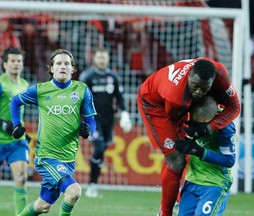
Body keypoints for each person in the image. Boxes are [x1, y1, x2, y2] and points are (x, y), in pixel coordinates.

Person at [137, 58, 241, 216]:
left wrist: (208, 127)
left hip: (183, 99)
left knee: (189, 149)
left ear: (212, 82)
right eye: (196, 86)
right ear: (190, 76)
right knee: (176, 159)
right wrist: (189, 138)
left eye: (204, 88)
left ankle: (182, 199)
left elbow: (235, 106)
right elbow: (176, 122)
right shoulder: (175, 96)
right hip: (155, 103)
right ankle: (165, 212)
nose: (199, 91)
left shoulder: (221, 76)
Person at [10, 48, 97, 216]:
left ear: (72, 69)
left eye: (66, 63)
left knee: (42, 206)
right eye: (58, 63)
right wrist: (16, 124)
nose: (62, 66)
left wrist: (88, 130)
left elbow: (91, 120)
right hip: (47, 157)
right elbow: (15, 102)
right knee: (74, 192)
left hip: (69, 159)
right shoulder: (40, 90)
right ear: (51, 68)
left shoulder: (82, 90)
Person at [79, 47, 132, 198]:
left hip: (108, 120)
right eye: (99, 58)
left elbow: (119, 97)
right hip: (93, 119)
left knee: (102, 150)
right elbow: (81, 98)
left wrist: (124, 113)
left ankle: (93, 184)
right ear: (94, 59)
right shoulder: (87, 76)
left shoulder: (113, 76)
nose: (102, 60)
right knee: (99, 146)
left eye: (104, 58)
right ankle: (91, 186)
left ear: (108, 59)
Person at [174, 96, 236, 216]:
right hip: (192, 181)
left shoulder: (225, 126)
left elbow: (229, 160)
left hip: (214, 184)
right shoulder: (187, 114)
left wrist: (198, 151)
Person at [0, 46, 30, 216]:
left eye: (19, 61)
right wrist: (3, 125)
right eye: (12, 61)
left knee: (21, 178)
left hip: (17, 142)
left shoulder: (25, 85)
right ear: (5, 64)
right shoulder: (1, 84)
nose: (16, 64)